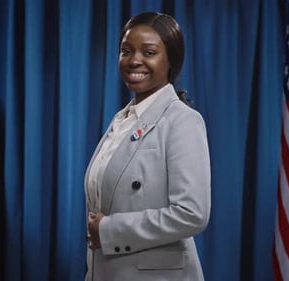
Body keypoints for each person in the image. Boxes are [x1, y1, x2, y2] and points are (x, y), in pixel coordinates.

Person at [84, 12, 211, 281]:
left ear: (171, 61)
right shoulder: (121, 120)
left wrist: (109, 230)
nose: (134, 60)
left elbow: (192, 214)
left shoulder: (182, 120)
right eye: (126, 51)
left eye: (149, 52)